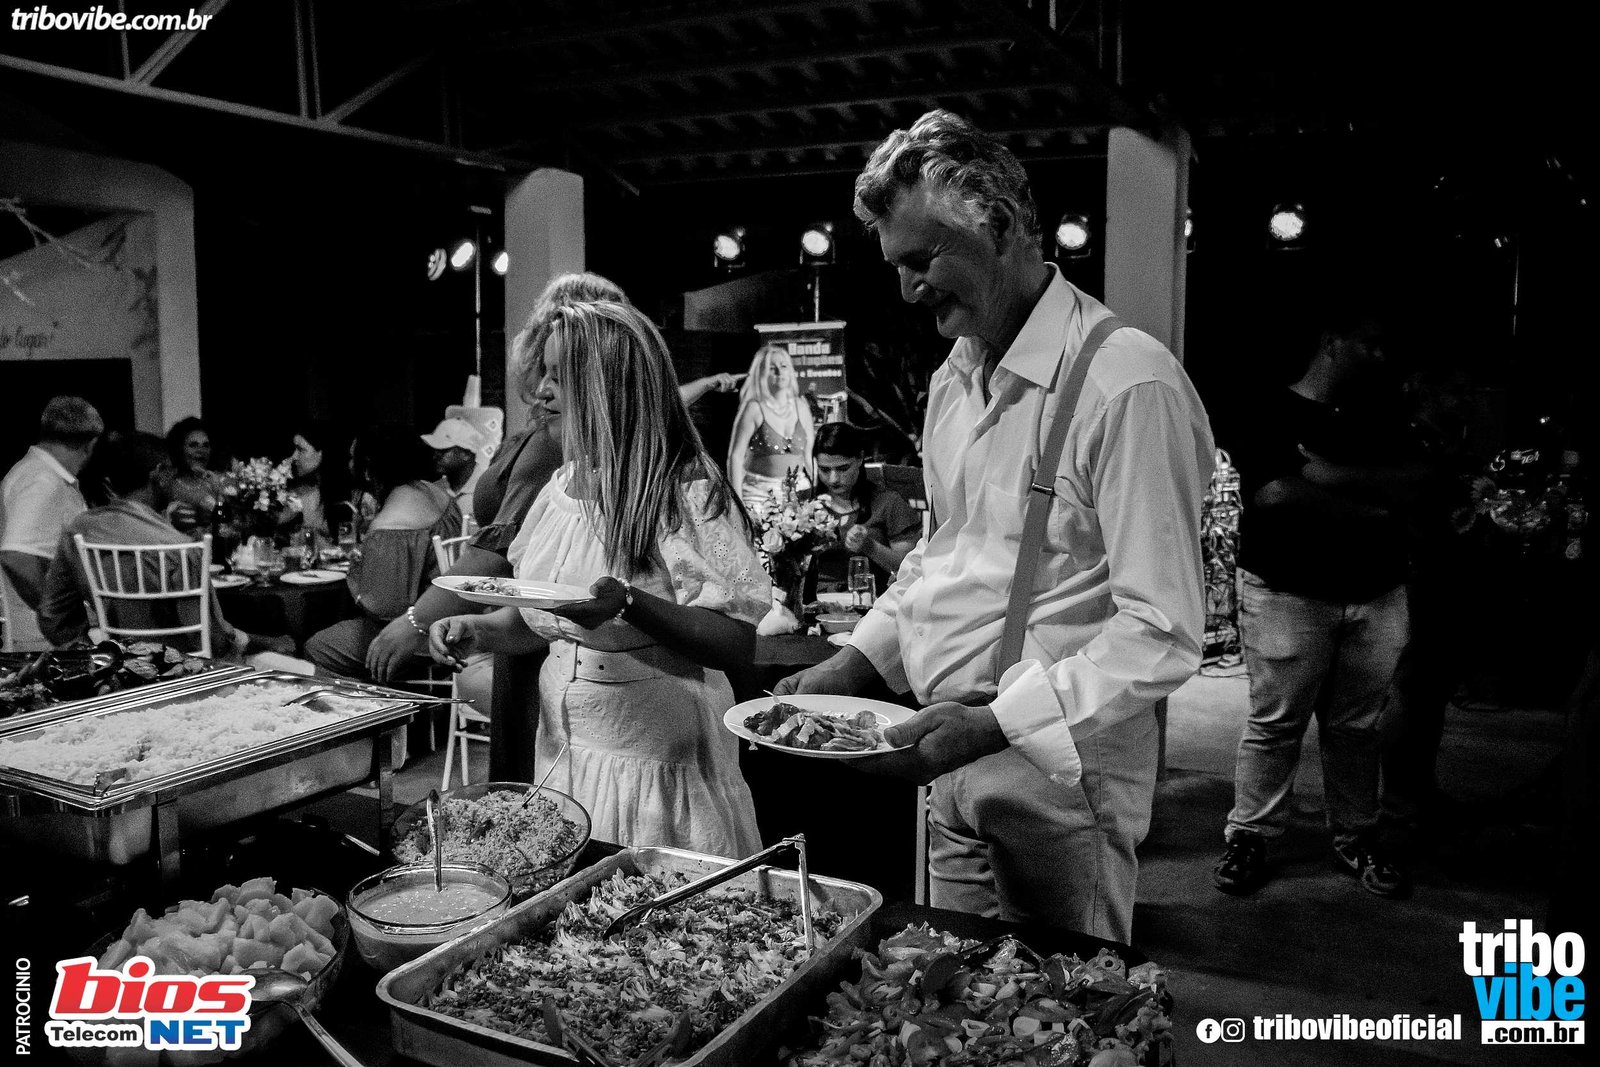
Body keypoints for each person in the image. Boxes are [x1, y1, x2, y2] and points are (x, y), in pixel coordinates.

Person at [774, 109, 1214, 942]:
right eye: (897, 265)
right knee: (942, 985)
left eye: (923, 258)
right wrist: (852, 663)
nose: (908, 289)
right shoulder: (955, 378)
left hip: (1061, 770)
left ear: (1002, 227)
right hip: (948, 756)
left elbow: (1162, 630)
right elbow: (941, 558)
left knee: (1057, 998)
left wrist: (996, 722)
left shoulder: (1126, 383)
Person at [428, 300, 768, 858]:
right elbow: (548, 620)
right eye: (544, 375)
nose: (541, 392)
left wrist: (629, 603)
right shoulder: (561, 487)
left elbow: (735, 641)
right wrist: (480, 629)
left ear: (609, 389)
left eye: (559, 378)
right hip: (565, 756)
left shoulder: (680, 487)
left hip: (655, 764)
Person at [363, 272, 630, 766]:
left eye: (558, 371)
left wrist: (416, 619)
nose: (543, 385)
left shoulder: (554, 444)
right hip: (521, 626)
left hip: (544, 639)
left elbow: (495, 552)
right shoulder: (547, 433)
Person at [1212, 314, 1422, 900]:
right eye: (1369, 343)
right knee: (1276, 723)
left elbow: (1417, 482)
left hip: (1377, 592)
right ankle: (1250, 835)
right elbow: (1277, 495)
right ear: (1332, 342)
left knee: (1357, 726)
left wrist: (1328, 474)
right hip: (1289, 592)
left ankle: (1356, 835)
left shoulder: (1383, 412)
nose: (1380, 356)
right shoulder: (1269, 410)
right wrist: (1374, 507)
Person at [36, 431, 289, 659]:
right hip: (188, 674)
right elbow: (216, 640)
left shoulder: (79, 530)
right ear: (159, 473)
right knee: (293, 660)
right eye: (171, 471)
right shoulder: (180, 547)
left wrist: (97, 655)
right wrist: (263, 642)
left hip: (121, 670)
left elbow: (52, 616)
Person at [304, 425, 462, 679]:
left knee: (317, 646)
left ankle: (374, 697)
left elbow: (383, 608)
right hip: (452, 618)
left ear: (368, 466)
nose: (350, 465)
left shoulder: (390, 524)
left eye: (353, 458)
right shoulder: (437, 493)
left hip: (417, 636)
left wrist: (358, 570)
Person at [1, 396, 104, 652]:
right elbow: (16, 556)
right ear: (91, 444)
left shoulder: (34, 472)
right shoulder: (43, 481)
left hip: (40, 635)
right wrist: (59, 620)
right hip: (41, 639)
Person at [808, 421, 920, 595]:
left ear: (860, 458)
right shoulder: (806, 507)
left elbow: (908, 568)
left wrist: (870, 546)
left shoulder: (888, 502)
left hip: (870, 602)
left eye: (843, 469)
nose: (833, 479)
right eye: (825, 470)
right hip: (815, 601)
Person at [727, 344, 815, 511]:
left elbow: (809, 456)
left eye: (783, 366)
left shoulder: (801, 407)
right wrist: (737, 502)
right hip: (760, 494)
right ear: (761, 373)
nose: (779, 372)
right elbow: (735, 457)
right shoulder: (754, 408)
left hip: (799, 491)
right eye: (772, 368)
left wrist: (819, 489)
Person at [164, 416, 226, 536]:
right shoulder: (168, 483)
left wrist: (219, 492)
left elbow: (225, 524)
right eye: (193, 445)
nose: (201, 450)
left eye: (206, 445)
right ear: (179, 449)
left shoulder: (216, 482)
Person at [421, 417, 487, 518]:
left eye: (443, 450)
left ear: (466, 454)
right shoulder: (433, 492)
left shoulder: (489, 489)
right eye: (436, 450)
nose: (436, 456)